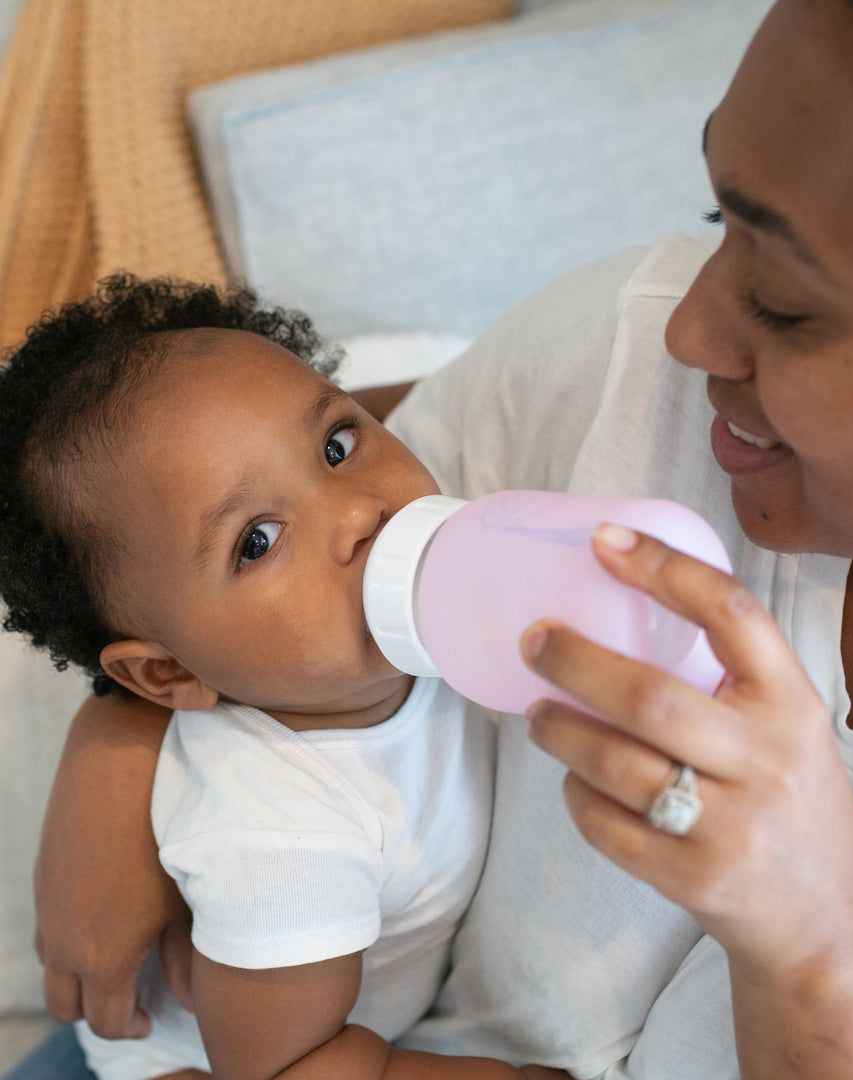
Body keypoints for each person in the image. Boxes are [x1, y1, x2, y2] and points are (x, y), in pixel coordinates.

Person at [11, 0, 853, 1075]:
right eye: (717, 221)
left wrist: (816, 947)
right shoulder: (624, 360)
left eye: (791, 303)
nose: (686, 329)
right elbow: (212, 469)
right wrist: (131, 736)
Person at [0, 277, 569, 1080]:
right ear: (168, 672)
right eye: (258, 541)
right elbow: (289, 1069)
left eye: (337, 445)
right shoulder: (278, 834)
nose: (357, 512)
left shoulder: (407, 620)